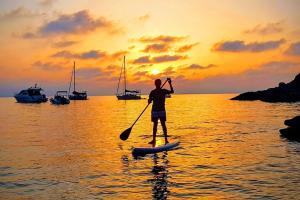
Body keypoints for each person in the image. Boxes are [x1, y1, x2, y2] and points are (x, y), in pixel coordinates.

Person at [148, 78, 174, 146]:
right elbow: (149, 101)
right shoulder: (153, 92)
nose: (157, 84)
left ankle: (166, 140)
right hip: (155, 110)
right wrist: (150, 100)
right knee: (155, 125)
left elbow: (172, 91)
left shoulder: (163, 91)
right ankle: (154, 139)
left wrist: (170, 83)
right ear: (155, 84)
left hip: (161, 110)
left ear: (160, 84)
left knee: (163, 125)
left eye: (158, 83)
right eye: (157, 83)